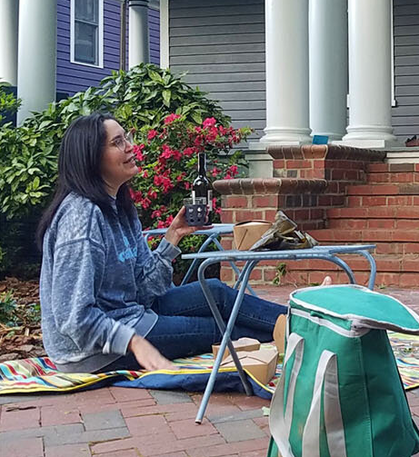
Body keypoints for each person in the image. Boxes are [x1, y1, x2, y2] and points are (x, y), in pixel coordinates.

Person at [37, 113, 289, 373]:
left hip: (132, 314)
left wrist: (172, 238)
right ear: (91, 158)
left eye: (127, 138)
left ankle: (302, 320)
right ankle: (302, 332)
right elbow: (73, 319)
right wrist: (133, 341)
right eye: (117, 142)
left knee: (216, 292)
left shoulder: (120, 208)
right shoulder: (81, 217)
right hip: (90, 351)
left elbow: (145, 290)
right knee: (220, 329)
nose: (130, 146)